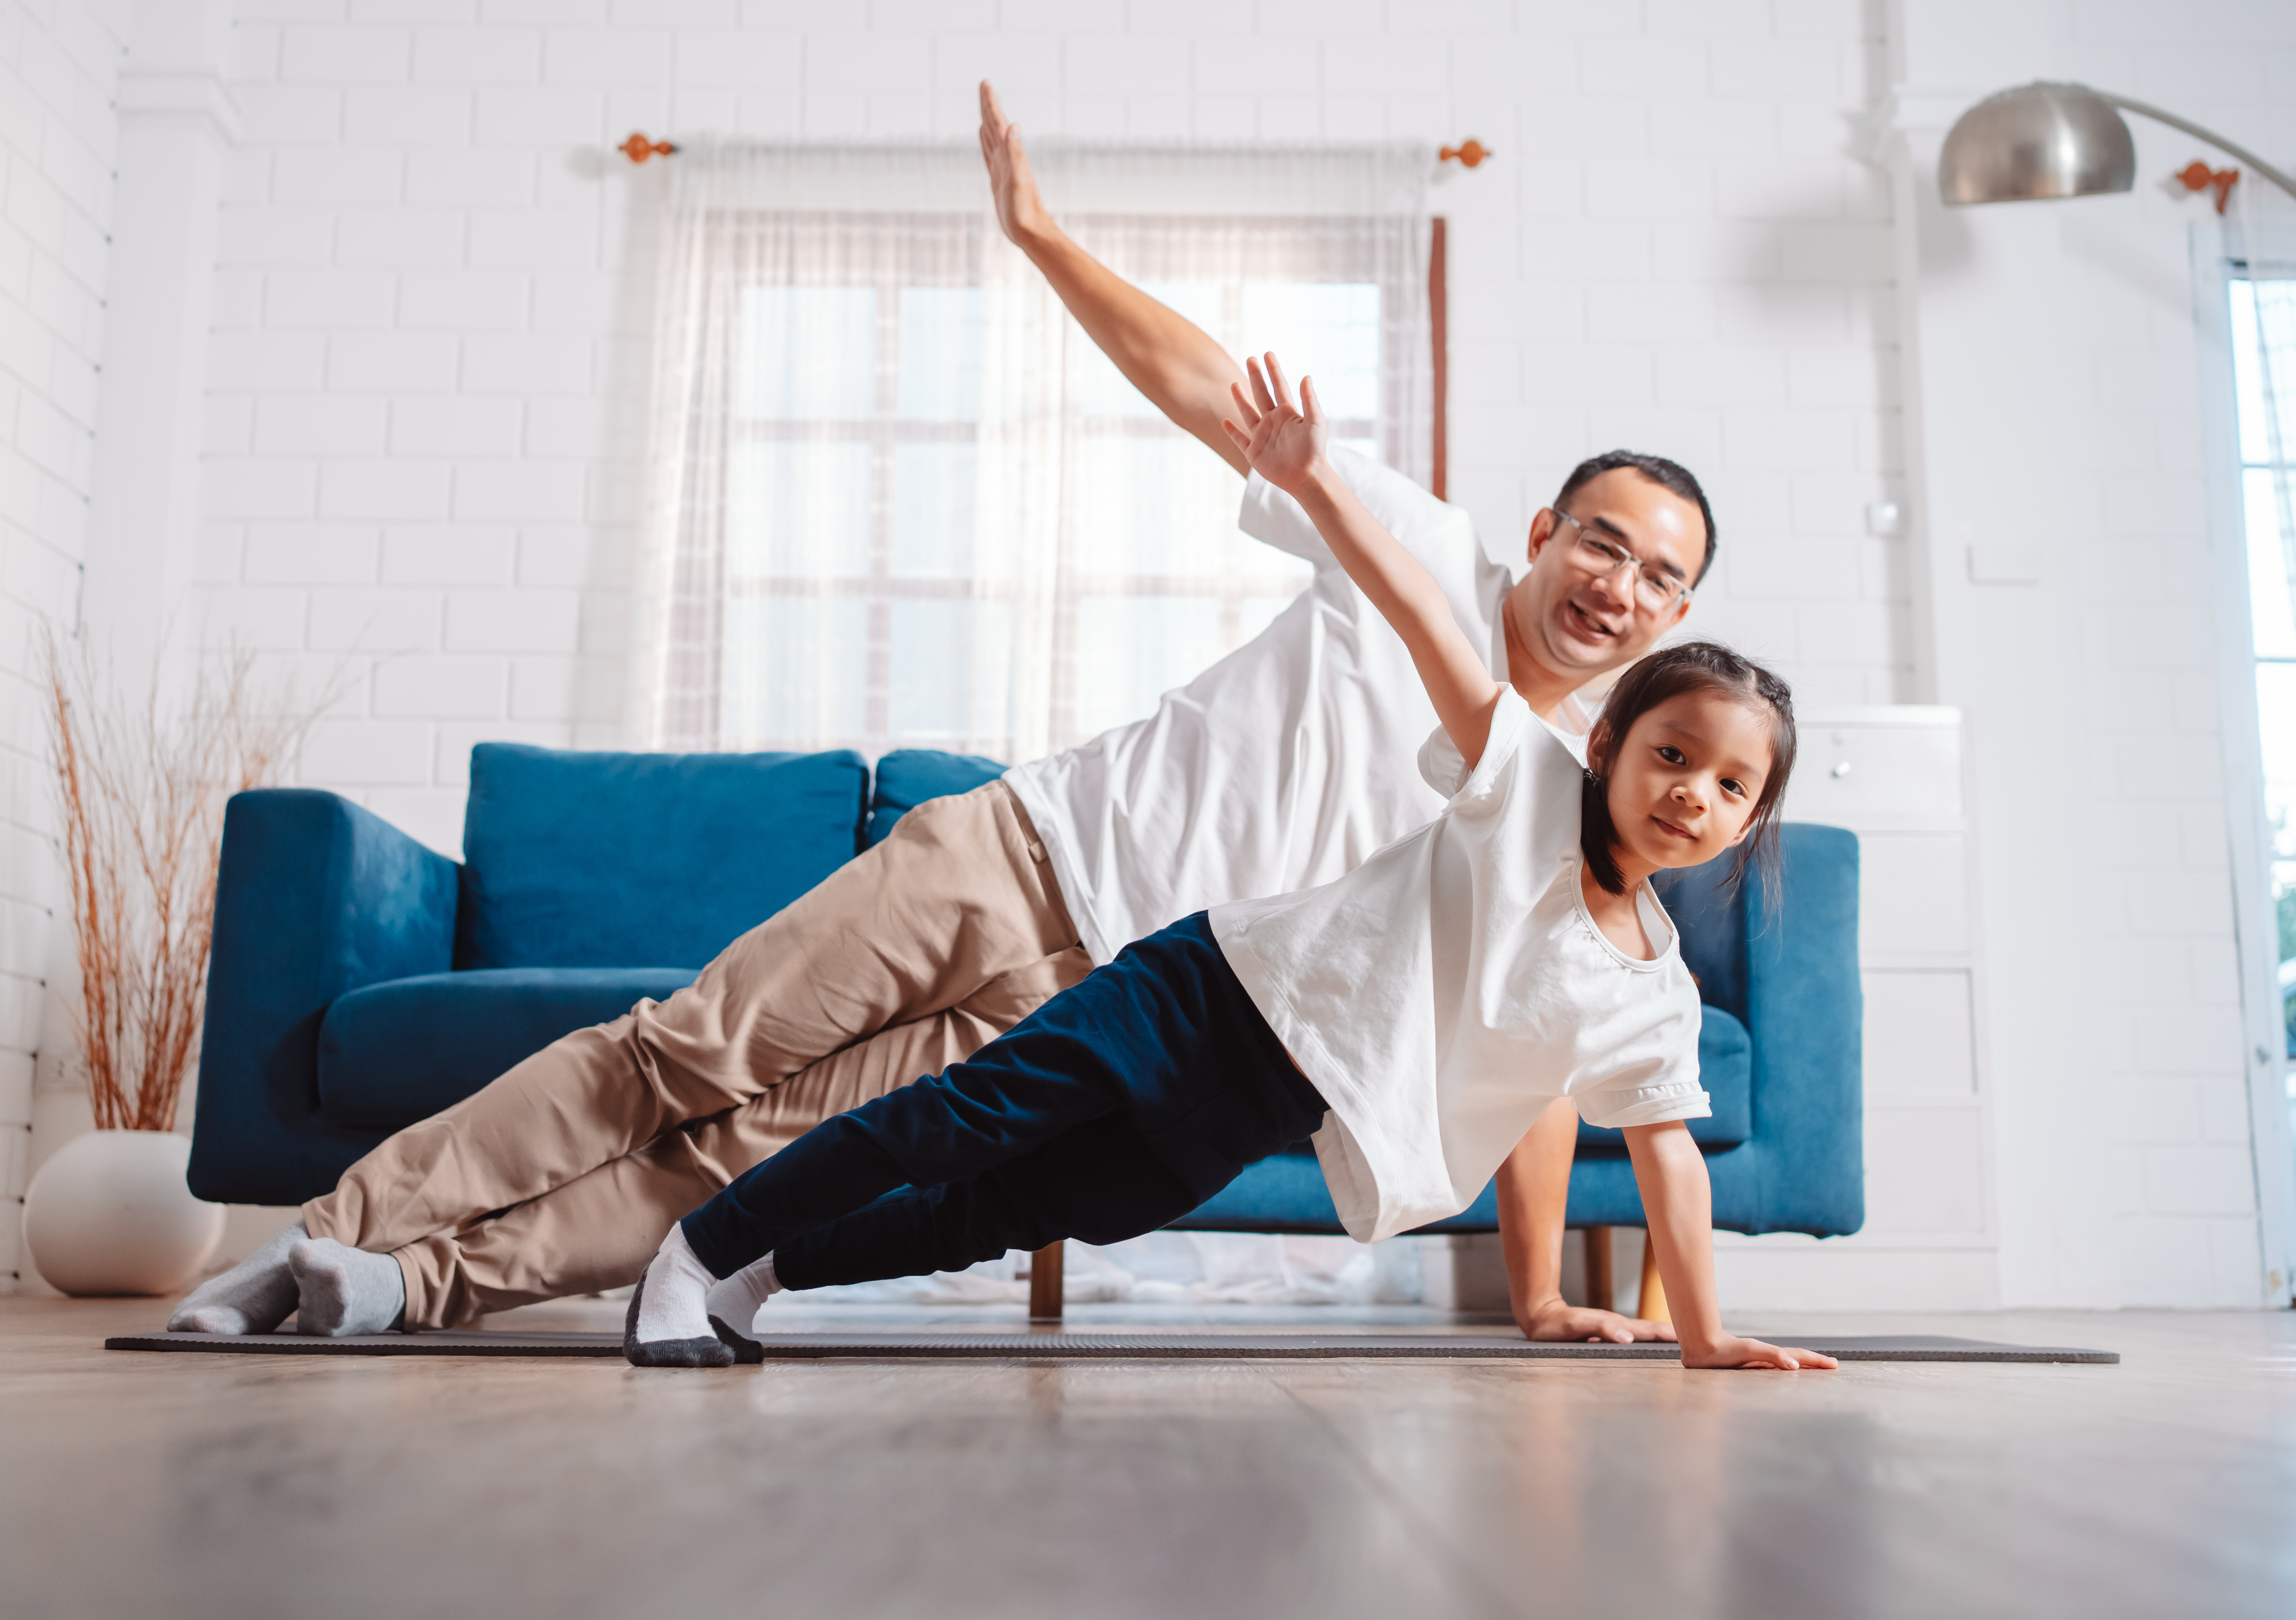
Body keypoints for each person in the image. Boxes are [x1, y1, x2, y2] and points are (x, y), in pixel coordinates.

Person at [169, 86, 1719, 1344]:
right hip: (1017, 854)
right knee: (679, 1058)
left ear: (1674, 618)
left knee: (749, 1159)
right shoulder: (1420, 545)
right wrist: (1042, 238)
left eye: (1657, 576)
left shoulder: (1588, 793)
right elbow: (1201, 388)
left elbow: (1532, 1046)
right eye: (1603, 540)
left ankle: (401, 1290)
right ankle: (325, 1233)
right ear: (1546, 528)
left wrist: (1533, 1296)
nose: (1617, 583)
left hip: (1107, 1007)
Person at [623, 355, 1834, 1374]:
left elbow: (1654, 1147)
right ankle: (698, 1249)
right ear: (1609, 744)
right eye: (1673, 755)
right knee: (961, 1122)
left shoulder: (1650, 990)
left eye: (1731, 786)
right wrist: (1311, 478)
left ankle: (771, 1265)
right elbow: (1417, 608)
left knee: (1024, 1209)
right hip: (1206, 991)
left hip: (1273, 1099)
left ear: (1751, 824)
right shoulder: (1523, 778)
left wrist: (1706, 1338)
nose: (1693, 792)